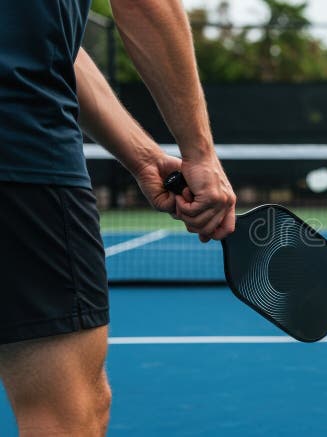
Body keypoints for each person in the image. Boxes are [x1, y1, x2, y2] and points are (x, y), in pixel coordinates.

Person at [0, 1, 236, 435]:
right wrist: (200, 154)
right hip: (21, 156)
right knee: (69, 413)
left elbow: (61, 47)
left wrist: (144, 157)